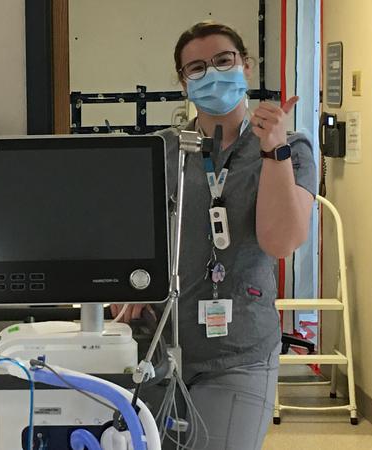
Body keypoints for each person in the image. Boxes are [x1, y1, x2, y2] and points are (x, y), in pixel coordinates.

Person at [112, 21, 316, 449]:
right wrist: (126, 287)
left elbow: (280, 242)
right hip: (159, 345)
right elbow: (130, 235)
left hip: (237, 352)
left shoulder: (290, 148)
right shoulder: (162, 150)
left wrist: (273, 150)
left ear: (246, 65)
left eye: (224, 60)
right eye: (197, 68)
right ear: (183, 82)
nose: (213, 73)